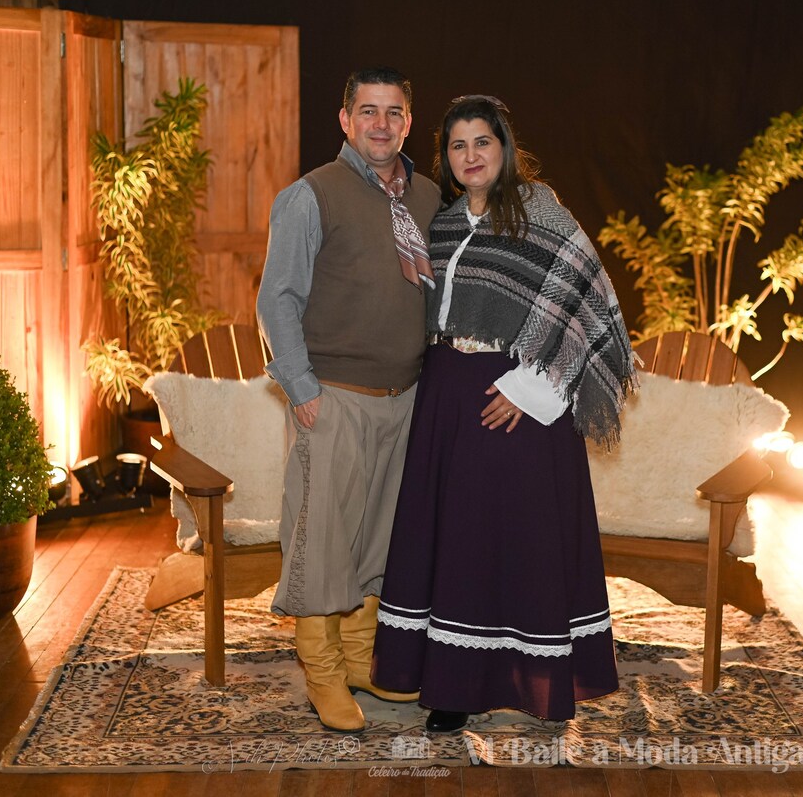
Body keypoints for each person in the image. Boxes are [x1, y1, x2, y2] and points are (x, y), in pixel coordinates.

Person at [370, 95, 638, 732]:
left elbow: (587, 300)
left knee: (520, 540)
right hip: (446, 398)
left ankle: (536, 680)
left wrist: (530, 387)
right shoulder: (440, 223)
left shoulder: (539, 210)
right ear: (446, 157)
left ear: (504, 147)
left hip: (516, 398)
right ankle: (453, 687)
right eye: (458, 146)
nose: (471, 156)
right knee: (457, 541)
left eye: (482, 142)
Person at [256, 66, 441, 733]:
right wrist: (303, 391)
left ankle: (362, 657)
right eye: (368, 111)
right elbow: (276, 300)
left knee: (379, 537)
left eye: (393, 112)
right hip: (333, 397)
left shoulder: (427, 196)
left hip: (406, 397)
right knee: (323, 538)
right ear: (345, 119)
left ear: (409, 122)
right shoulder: (311, 196)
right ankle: (323, 671)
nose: (380, 124)